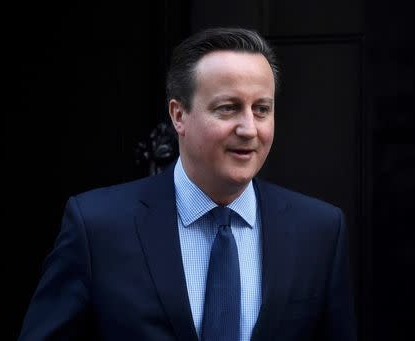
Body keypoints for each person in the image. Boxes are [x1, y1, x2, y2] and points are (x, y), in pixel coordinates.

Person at [18, 27, 357, 341]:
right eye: (228, 108)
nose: (249, 129)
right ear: (179, 115)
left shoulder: (320, 230)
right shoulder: (97, 227)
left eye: (262, 109)